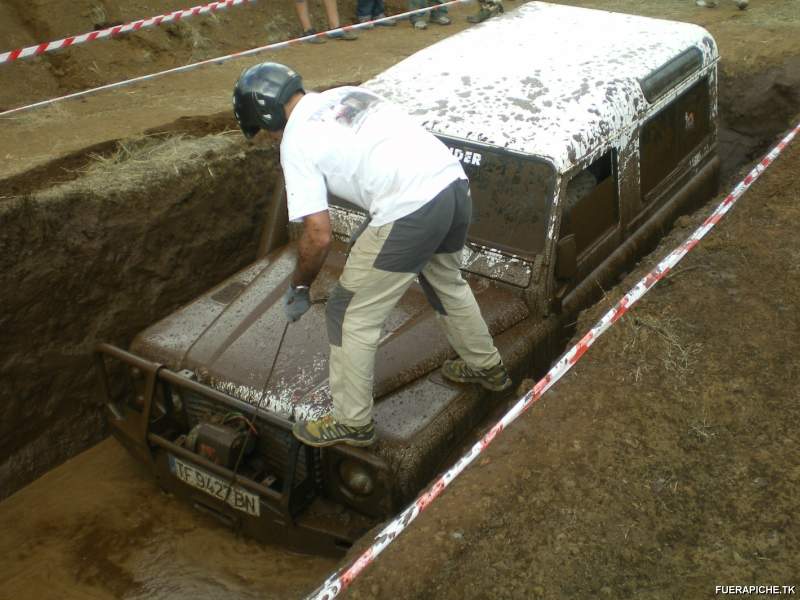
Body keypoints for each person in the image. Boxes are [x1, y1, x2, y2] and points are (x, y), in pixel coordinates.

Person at [232, 62, 512, 448]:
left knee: (346, 312)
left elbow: (317, 235)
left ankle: (352, 422)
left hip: (409, 208)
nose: (267, 136)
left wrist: (300, 284)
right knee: (445, 280)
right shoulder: (344, 94)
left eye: (263, 129)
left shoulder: (295, 142)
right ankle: (487, 366)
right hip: (451, 185)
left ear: (265, 114)